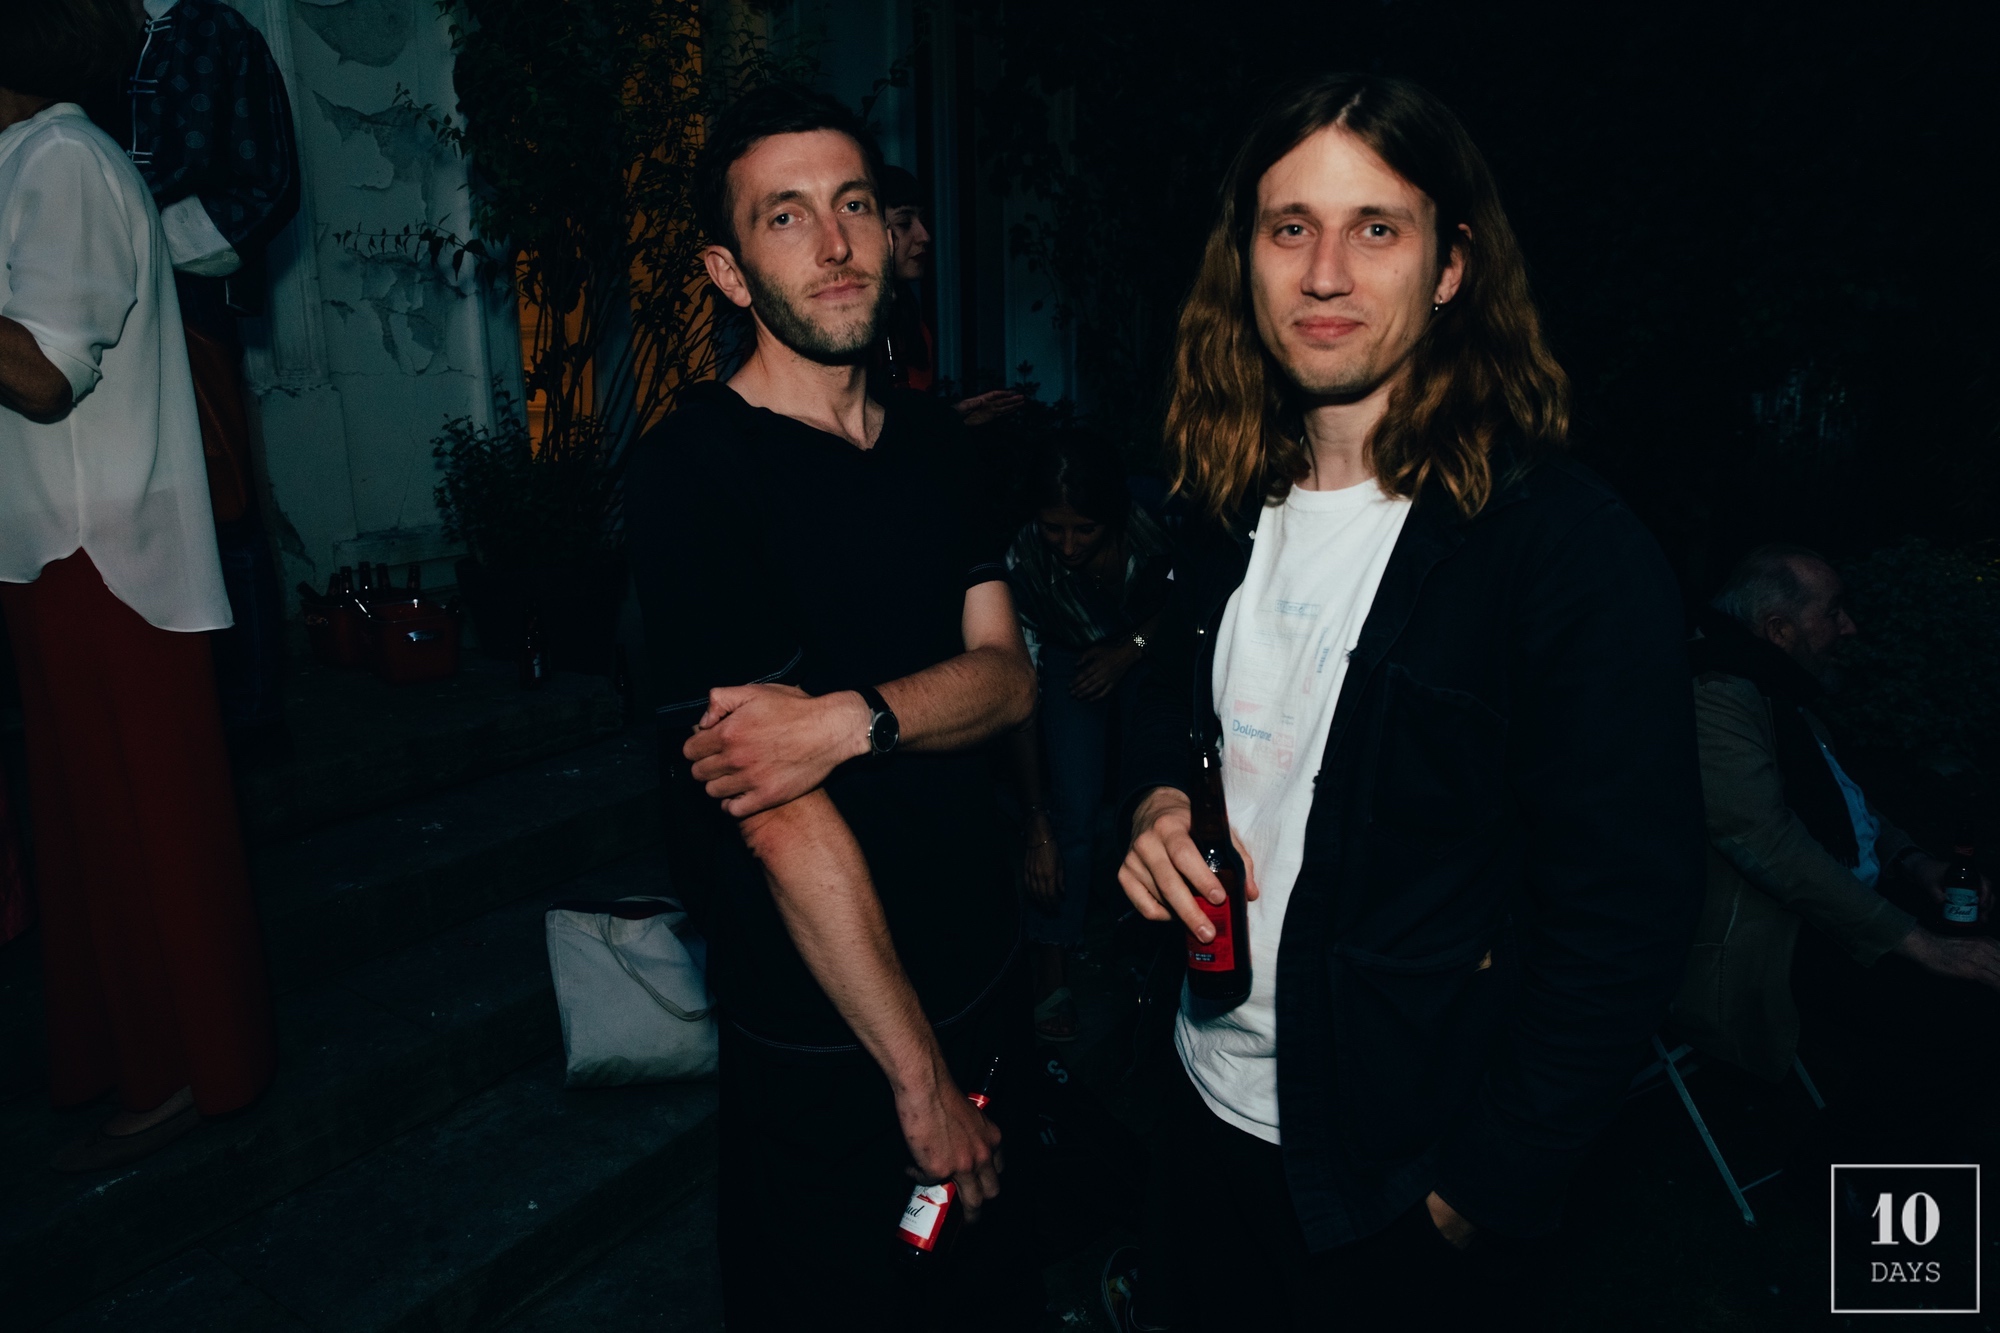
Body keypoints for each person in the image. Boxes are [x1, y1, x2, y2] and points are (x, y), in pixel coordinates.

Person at [1105, 73, 1704, 1331]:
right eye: (1289, 228)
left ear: (1449, 266)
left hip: (1394, 1182)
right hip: (1200, 1109)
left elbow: (1624, 912)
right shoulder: (1219, 506)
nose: (1324, 272)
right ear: (1244, 260)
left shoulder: (1557, 552)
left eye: (1374, 227)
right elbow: (1162, 695)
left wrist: (1478, 1189)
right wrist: (1158, 795)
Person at [624, 84, 1039, 1330]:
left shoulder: (936, 443)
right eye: (785, 215)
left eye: (852, 204)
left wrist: (847, 719)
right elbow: (771, 808)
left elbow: (1008, 675)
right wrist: (917, 1080)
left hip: (982, 972)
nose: (837, 242)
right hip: (833, 1033)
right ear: (729, 270)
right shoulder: (692, 473)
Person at [0, 0, 275, 1171]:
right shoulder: (29, 157)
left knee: (147, 824)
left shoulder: (63, 159)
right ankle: (125, 1052)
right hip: (55, 544)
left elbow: (43, 374)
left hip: (106, 549)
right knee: (89, 826)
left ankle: (187, 1064)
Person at [1674, 545, 2000, 1157]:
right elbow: (1768, 843)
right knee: (1966, 1014)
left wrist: (1916, 864)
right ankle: (1844, 1166)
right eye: (1833, 612)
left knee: (1980, 952)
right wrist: (1920, 944)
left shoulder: (1777, 691)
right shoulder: (1717, 697)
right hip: (1776, 942)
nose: (1849, 627)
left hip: (1839, 908)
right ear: (1779, 629)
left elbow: (1850, 804)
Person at [124, 0, 301, 761]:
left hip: (189, 297)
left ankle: (252, 711)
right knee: (129, 504)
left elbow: (268, 182)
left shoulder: (218, 32)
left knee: (220, 497)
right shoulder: (84, 34)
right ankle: (169, 706)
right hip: (94, 300)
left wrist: (141, 243)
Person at [1004, 429, 1171, 1040]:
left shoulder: (1152, 526)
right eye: (1055, 528)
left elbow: (1188, 606)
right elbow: (1019, 696)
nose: (1069, 545)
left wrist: (1130, 650)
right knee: (1069, 816)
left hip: (1150, 649)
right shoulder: (1023, 561)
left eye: (1085, 530)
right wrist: (1036, 823)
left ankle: (1158, 955)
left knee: (1154, 797)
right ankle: (1052, 968)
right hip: (1066, 659)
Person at [876, 162, 1023, 426]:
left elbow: (906, 426)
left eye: (923, 220)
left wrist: (952, 417)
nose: (924, 236)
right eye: (905, 223)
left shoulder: (914, 328)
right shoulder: (846, 333)